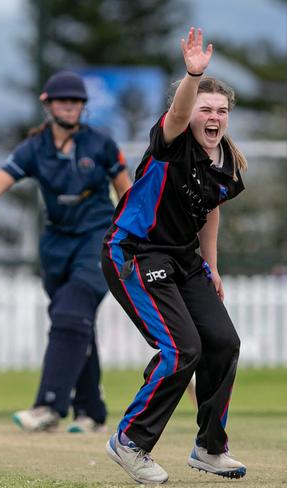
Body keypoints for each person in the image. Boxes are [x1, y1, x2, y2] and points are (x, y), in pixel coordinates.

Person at [101, 28, 248, 483]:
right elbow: (180, 112)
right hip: (135, 254)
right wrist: (193, 75)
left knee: (223, 344)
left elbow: (209, 214)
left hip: (185, 260)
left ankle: (209, 447)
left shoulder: (227, 164)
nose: (214, 117)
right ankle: (130, 441)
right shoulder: (175, 140)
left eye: (221, 111)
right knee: (181, 350)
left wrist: (214, 266)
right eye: (207, 109)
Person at [0, 71, 132, 433]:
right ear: (48, 104)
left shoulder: (100, 144)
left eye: (75, 102)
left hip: (98, 237)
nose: (69, 107)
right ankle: (91, 412)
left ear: (83, 108)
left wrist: (135, 236)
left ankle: (48, 406)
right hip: (56, 244)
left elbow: (127, 193)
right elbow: (0, 180)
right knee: (75, 321)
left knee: (72, 314)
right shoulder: (35, 148)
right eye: (62, 101)